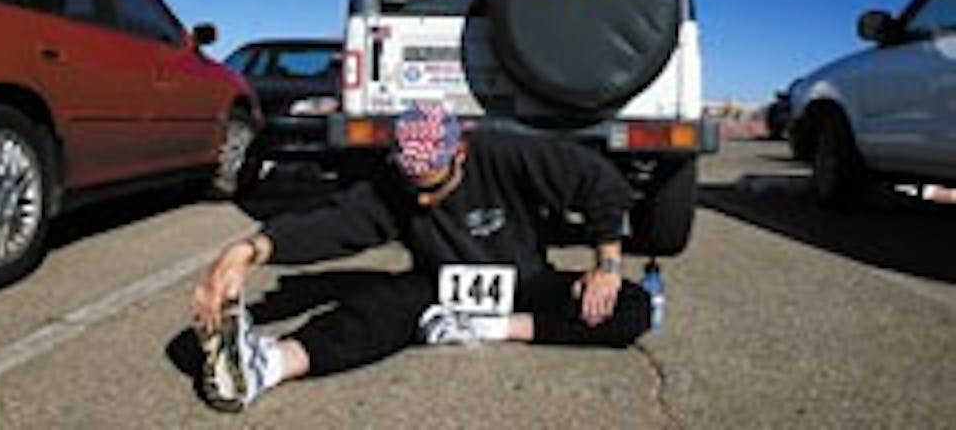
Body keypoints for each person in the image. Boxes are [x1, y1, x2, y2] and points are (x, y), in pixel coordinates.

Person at [191, 101, 655, 412]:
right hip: (439, 288)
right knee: (377, 309)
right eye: (415, 188)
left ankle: (486, 329)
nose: (425, 201)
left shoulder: (508, 152)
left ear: (461, 155)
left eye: (435, 186)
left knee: (633, 308)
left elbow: (600, 184)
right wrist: (249, 249)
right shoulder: (397, 185)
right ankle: (266, 365)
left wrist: (607, 267)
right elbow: (335, 223)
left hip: (523, 283)